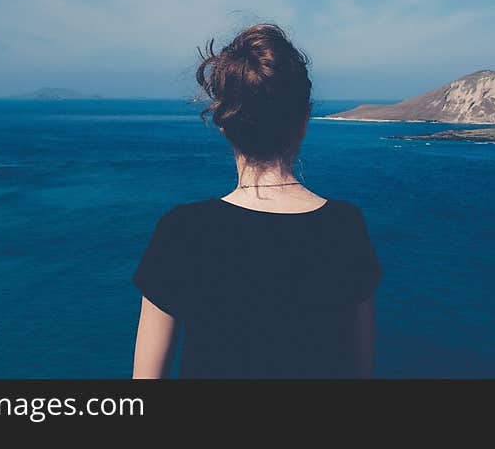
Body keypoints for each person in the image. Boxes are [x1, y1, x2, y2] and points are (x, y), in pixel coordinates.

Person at [132, 23, 382, 378]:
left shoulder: (182, 230)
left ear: (224, 124)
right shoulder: (345, 227)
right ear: (304, 121)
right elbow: (362, 373)